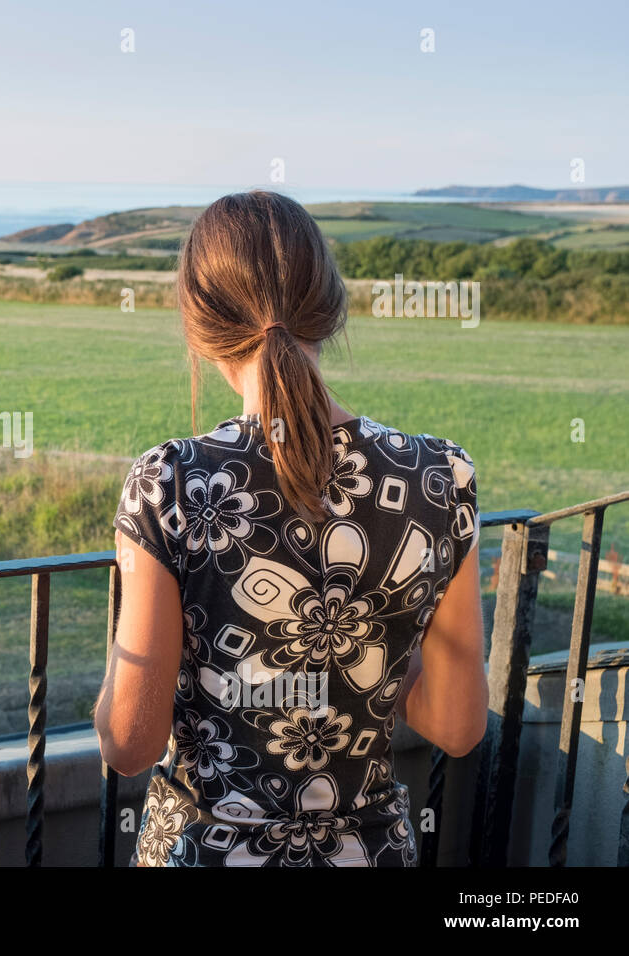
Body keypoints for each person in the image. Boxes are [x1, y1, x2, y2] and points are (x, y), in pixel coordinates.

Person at [92, 191, 484, 867]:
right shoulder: (440, 477)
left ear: (198, 325)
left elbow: (128, 742)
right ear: (329, 307)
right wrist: (369, 649)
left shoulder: (172, 484)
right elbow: (456, 725)